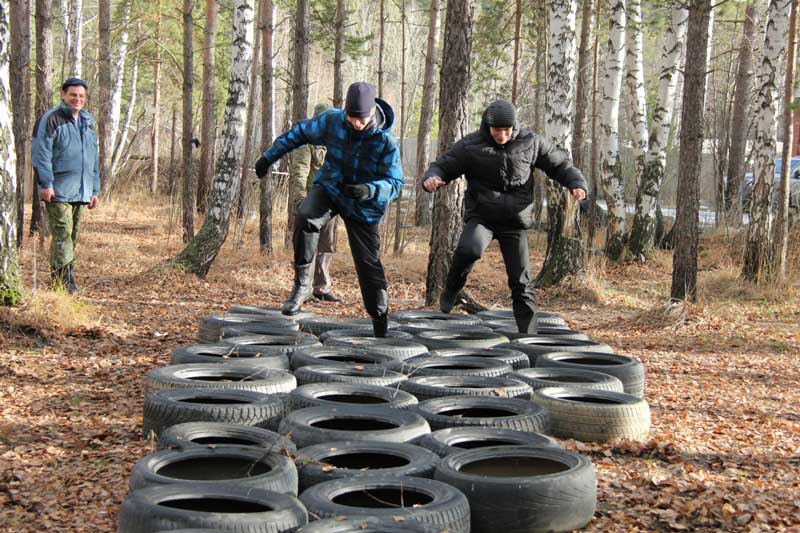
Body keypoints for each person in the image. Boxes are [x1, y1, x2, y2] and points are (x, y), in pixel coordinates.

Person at [422, 99, 587, 334]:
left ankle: (528, 336)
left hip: (515, 222)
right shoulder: (471, 145)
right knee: (469, 250)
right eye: (496, 130)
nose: (501, 135)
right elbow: (444, 165)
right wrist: (432, 178)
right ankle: (451, 289)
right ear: (487, 127)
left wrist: (576, 184)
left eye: (506, 130)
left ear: (514, 126)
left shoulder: (531, 142)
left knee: (521, 282)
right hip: (483, 217)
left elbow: (560, 165)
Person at [255, 82, 403, 336]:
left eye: (361, 119)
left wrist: (370, 190)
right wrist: (269, 156)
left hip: (364, 205)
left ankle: (380, 318)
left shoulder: (385, 142)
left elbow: (396, 184)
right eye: (351, 117)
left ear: (372, 114)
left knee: (368, 264)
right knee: (306, 216)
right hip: (332, 188)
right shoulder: (333, 121)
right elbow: (299, 133)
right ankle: (302, 285)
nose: (356, 123)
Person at [31, 77, 101, 294]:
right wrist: (46, 183)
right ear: (63, 95)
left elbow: (93, 159)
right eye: (73, 95)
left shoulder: (88, 123)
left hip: (82, 190)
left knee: (72, 237)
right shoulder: (51, 119)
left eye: (81, 96)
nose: (77, 99)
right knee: (62, 236)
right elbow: (41, 153)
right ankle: (67, 282)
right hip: (58, 189)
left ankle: (57, 281)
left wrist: (94, 189)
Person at [287, 102, 343, 304]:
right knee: (307, 246)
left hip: (330, 201)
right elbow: (299, 172)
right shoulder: (306, 141)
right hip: (311, 201)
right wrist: (300, 200)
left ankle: (321, 288)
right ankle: (304, 288)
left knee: (326, 245)